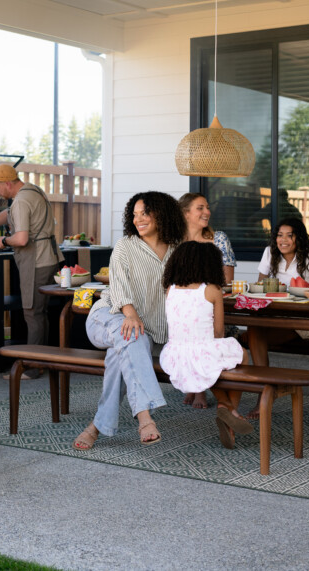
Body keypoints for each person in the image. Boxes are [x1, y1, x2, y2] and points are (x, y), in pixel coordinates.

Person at [72, 191, 186, 451]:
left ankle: (96, 426)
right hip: (109, 316)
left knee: (123, 352)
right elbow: (119, 286)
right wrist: (131, 314)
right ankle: (144, 417)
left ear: (162, 214)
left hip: (147, 330)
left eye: (144, 212)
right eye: (134, 214)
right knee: (132, 335)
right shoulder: (126, 245)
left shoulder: (177, 250)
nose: (138, 219)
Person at [0, 163, 63, 377]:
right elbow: (8, 213)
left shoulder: (21, 200)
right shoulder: (32, 190)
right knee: (41, 312)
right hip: (49, 258)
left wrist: (3, 239)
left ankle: (33, 367)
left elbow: (21, 239)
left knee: (32, 313)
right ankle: (43, 361)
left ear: (8, 183)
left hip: (36, 261)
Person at [159, 241, 252, 449]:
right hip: (202, 352)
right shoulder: (212, 290)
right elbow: (218, 332)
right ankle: (229, 408)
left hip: (174, 354)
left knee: (210, 362)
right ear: (209, 265)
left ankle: (228, 410)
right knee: (242, 354)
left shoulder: (170, 289)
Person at [244, 217, 309, 418]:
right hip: (275, 316)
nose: (284, 240)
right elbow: (259, 288)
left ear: (298, 238)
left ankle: (266, 392)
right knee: (254, 332)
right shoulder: (269, 253)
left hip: (303, 320)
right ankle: (264, 391)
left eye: (290, 236)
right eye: (280, 235)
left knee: (255, 335)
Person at [178, 192, 237, 409]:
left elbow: (227, 280)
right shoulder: (175, 242)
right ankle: (199, 387)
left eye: (207, 207)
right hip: (184, 311)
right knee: (190, 323)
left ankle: (200, 387)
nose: (207, 212)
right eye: (200, 208)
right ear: (185, 213)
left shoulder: (218, 238)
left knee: (202, 325)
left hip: (213, 306)